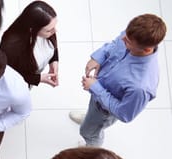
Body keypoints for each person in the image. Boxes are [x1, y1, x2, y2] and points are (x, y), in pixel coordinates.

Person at [68, 14, 167, 146]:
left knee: (88, 133)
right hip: (97, 99)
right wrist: (98, 57)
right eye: (125, 34)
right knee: (91, 118)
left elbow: (124, 113)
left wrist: (96, 88)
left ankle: (91, 152)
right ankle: (89, 119)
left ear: (147, 49)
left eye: (127, 42)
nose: (122, 38)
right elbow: (114, 44)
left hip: (105, 111)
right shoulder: (131, 35)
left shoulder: (141, 86)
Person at [0, 1, 59, 87]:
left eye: (54, 26)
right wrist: (38, 78)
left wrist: (54, 61)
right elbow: (11, 76)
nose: (55, 31)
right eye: (49, 30)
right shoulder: (11, 47)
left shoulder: (48, 29)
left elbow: (53, 44)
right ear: (32, 29)